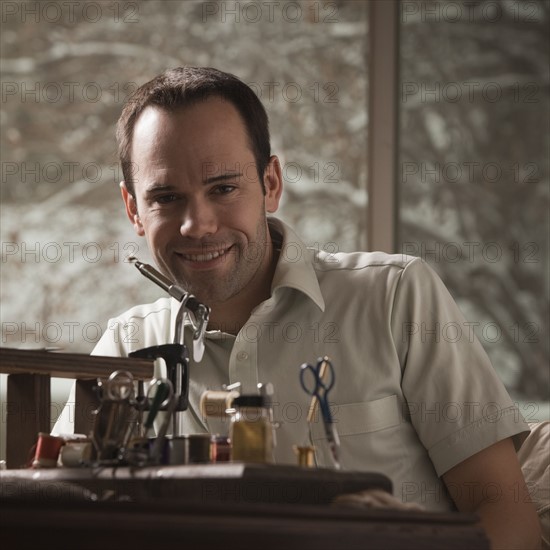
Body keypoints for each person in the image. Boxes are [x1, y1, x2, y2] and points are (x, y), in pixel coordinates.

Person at [54, 67, 541, 548]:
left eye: (223, 188)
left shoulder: (395, 297)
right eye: (166, 198)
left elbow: (510, 524)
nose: (197, 225)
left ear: (270, 183)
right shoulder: (125, 348)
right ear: (133, 209)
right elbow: (52, 512)